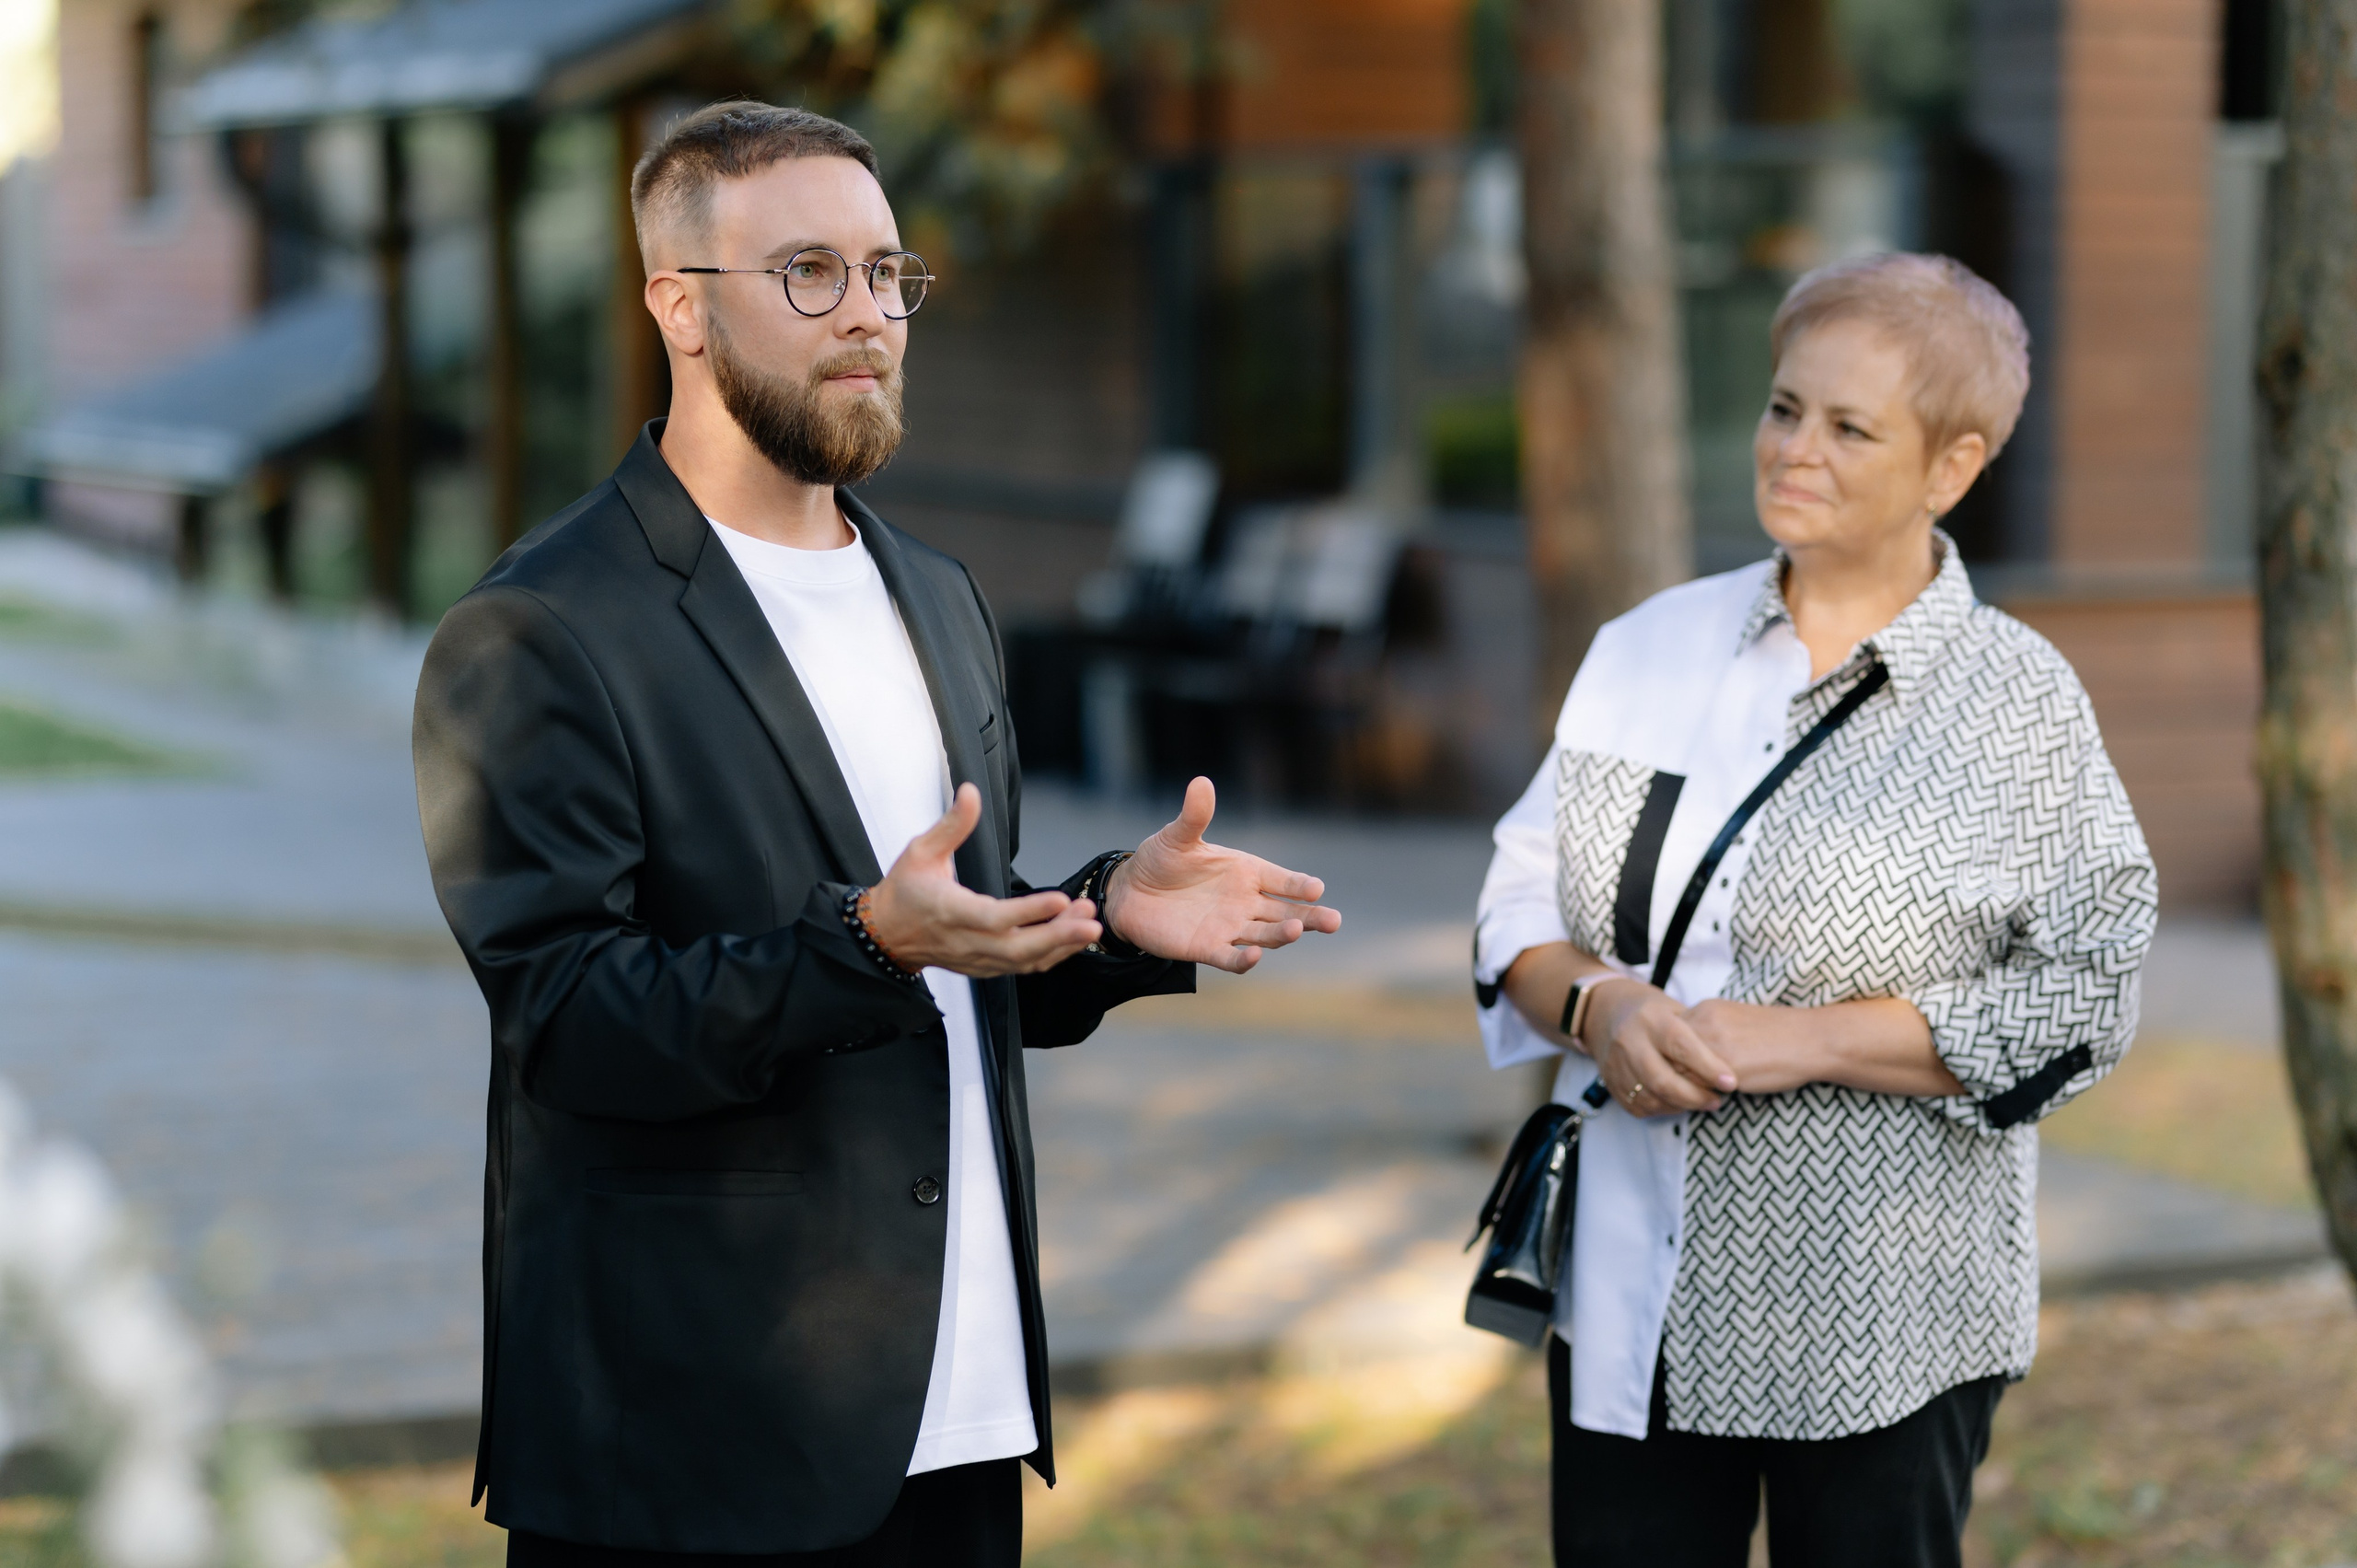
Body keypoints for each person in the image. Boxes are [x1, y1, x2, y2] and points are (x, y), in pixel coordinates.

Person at [412, 101, 1341, 1568]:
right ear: (681, 306)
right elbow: (573, 1018)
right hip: (694, 1444)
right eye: (810, 274)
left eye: (888, 274)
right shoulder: (540, 630)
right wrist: (864, 942)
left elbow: (946, 950)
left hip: (957, 1412)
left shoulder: (942, 596)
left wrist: (1102, 915)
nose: (869, 317)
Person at [1472, 251, 2155, 1567]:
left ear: (1951, 466)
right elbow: (1518, 897)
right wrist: (1603, 1004)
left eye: (1851, 427)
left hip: (1885, 1328)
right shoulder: (1647, 648)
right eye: (1786, 408)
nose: (1796, 449)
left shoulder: (2018, 706)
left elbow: (2088, 994)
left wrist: (1813, 1039)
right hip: (1634, 1295)